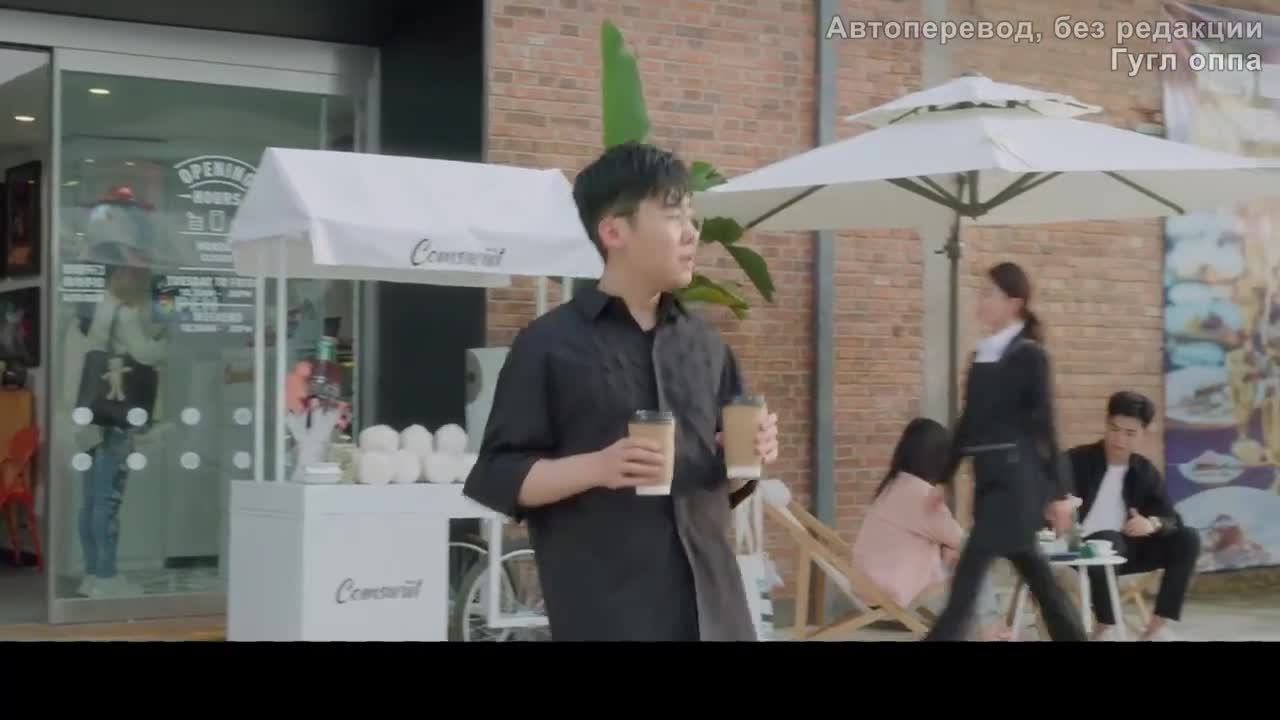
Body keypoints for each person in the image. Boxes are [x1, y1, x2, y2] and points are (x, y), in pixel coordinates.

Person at [463, 141, 780, 641]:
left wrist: (749, 457)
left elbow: (724, 486)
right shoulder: (548, 345)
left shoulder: (707, 346)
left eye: (692, 217)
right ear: (613, 231)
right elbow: (499, 475)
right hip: (611, 615)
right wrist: (599, 466)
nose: (692, 232)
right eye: (674, 216)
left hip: (716, 615)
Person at [923, 261, 1087, 642]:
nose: (980, 301)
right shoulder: (981, 356)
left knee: (965, 585)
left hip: (1017, 484)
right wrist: (945, 475)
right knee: (1042, 582)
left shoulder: (1030, 356)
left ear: (1014, 303)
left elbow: (1046, 425)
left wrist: (1060, 492)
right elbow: (968, 421)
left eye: (989, 294)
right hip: (988, 481)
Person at [851, 417, 1010, 640]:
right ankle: (991, 628)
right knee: (973, 561)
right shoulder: (920, 494)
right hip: (893, 588)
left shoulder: (896, 485)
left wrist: (948, 548)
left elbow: (944, 538)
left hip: (870, 584)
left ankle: (987, 627)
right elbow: (960, 539)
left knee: (960, 562)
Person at [1066, 391, 1200, 641]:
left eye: (1130, 433)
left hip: (1126, 551)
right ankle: (1105, 626)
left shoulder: (1144, 471)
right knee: (1108, 539)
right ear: (1106, 424)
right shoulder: (1076, 461)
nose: (1119, 439)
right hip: (1081, 553)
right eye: (1114, 429)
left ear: (1143, 434)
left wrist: (1151, 523)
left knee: (1188, 538)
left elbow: (1172, 519)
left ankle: (1158, 624)